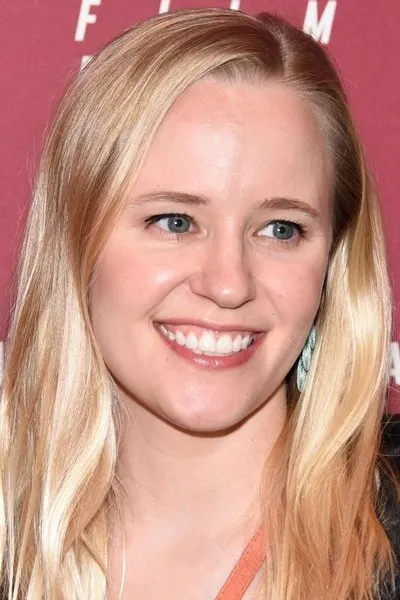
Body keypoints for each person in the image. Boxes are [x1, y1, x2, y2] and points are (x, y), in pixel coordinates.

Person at [0, 7, 399, 599]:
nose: (229, 283)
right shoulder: (12, 532)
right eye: (175, 221)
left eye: (280, 230)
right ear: (77, 242)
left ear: (332, 264)